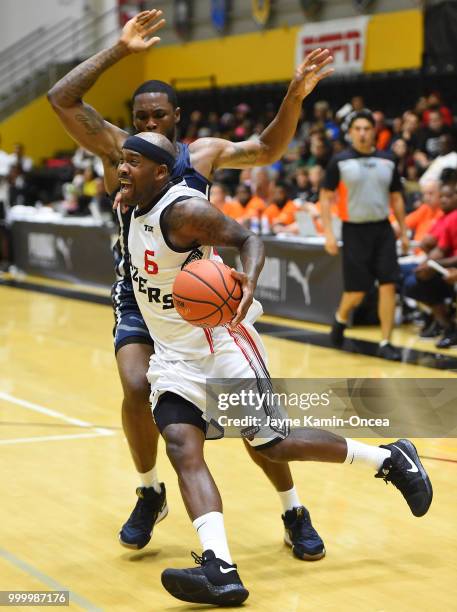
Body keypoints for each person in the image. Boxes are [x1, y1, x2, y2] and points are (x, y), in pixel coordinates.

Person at [47, 9, 334, 558]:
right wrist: (120, 51)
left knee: (252, 421)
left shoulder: (201, 154)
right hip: (141, 290)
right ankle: (150, 491)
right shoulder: (117, 149)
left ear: (176, 117)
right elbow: (62, 98)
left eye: (158, 116)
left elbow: (268, 150)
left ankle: (292, 507)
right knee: (135, 387)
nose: (149, 125)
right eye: (140, 116)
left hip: (202, 297)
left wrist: (294, 97)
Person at [120, 131, 432, 606]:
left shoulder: (183, 211)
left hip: (220, 345)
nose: (121, 169)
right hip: (174, 356)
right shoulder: (129, 201)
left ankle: (390, 458)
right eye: (122, 160)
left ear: (161, 172)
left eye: (133, 162)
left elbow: (248, 238)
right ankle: (221, 569)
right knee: (182, 444)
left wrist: (248, 279)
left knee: (273, 443)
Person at [320, 110, 409, 361]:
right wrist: (329, 233)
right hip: (354, 231)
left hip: (383, 229)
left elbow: (397, 198)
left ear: (374, 131)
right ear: (350, 133)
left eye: (366, 128)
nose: (362, 133)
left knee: (388, 284)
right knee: (357, 292)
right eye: (357, 128)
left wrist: (403, 231)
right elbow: (325, 199)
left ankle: (386, 341)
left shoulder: (388, 160)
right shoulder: (339, 162)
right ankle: (340, 319)